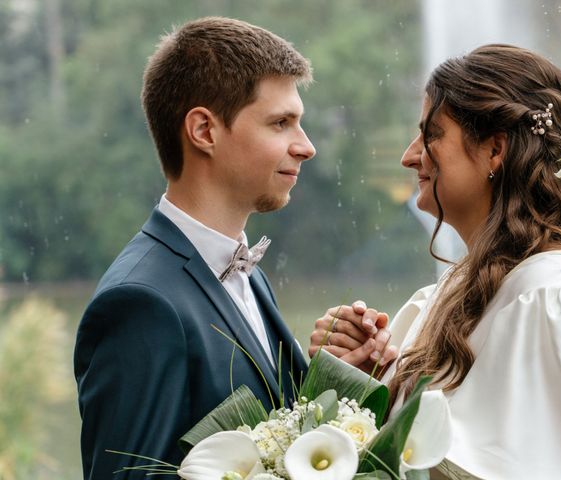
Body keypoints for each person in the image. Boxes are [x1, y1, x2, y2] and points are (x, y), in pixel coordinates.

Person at [73, 16, 391, 480]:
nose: (306, 147)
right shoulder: (139, 304)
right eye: (281, 123)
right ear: (204, 131)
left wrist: (335, 379)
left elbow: (275, 437)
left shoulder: (247, 272)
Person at [311, 44, 561, 478]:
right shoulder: (451, 290)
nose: (410, 156)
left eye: (431, 135)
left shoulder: (553, 297)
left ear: (494, 151)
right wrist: (363, 380)